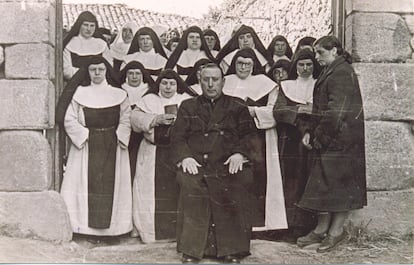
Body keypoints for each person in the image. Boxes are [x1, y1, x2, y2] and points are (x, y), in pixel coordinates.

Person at [170, 63, 257, 263]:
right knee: (190, 183)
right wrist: (185, 157)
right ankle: (192, 250)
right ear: (199, 81)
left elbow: (251, 136)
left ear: (223, 81)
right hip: (197, 164)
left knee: (235, 182)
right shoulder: (188, 106)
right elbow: (177, 137)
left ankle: (231, 249)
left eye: (215, 80)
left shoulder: (238, 107)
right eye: (206, 80)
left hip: (226, 164)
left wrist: (239, 154)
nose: (210, 84)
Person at [296, 36, 367, 252]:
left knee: (339, 187)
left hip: (341, 141)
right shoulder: (331, 71)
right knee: (324, 184)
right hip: (331, 139)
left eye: (321, 53)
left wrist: (319, 138)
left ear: (334, 51)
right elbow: (320, 108)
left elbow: (336, 112)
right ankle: (321, 228)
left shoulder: (342, 72)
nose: (316, 58)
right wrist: (309, 131)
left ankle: (336, 232)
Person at [56, 55, 132, 240]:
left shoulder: (119, 94)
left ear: (106, 71)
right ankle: (82, 228)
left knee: (113, 185)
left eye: (101, 69)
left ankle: (114, 230)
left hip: (113, 145)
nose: (97, 73)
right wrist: (84, 136)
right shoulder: (79, 93)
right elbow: (69, 118)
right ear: (87, 72)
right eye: (92, 69)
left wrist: (120, 136)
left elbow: (126, 118)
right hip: (87, 145)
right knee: (83, 183)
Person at [222, 48, 288, 234]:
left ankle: (260, 227)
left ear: (254, 65)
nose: (243, 67)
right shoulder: (226, 82)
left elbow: (274, 112)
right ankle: (232, 224)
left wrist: (252, 111)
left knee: (259, 180)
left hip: (261, 138)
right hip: (231, 137)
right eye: (239, 63)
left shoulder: (267, 85)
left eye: (247, 64)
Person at [130, 69, 196, 244]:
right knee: (149, 192)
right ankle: (150, 233)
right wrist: (155, 119)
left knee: (178, 190)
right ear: (158, 85)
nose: (168, 87)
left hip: (178, 153)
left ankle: (178, 234)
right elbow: (135, 119)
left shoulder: (186, 101)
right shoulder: (148, 100)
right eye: (164, 83)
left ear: (177, 85)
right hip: (152, 152)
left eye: (172, 83)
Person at [273, 49, 320, 238]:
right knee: (291, 180)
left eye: (309, 64)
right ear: (295, 66)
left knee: (310, 178)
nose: (305, 68)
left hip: (313, 137)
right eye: (301, 64)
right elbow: (279, 111)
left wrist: (311, 112)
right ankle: (291, 225)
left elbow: (324, 109)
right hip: (291, 138)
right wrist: (300, 110)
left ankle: (309, 226)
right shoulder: (286, 85)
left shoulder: (319, 84)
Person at [120, 60, 155, 192]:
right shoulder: (120, 89)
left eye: (137, 74)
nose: (134, 77)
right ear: (125, 75)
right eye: (131, 73)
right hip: (124, 133)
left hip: (142, 135)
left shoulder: (149, 90)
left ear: (143, 75)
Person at [63, 11, 109, 80]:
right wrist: (91, 74)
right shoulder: (69, 44)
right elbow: (67, 72)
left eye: (92, 25)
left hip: (99, 84)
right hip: (76, 84)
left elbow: (109, 68)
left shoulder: (102, 44)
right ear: (79, 25)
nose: (89, 29)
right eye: (85, 25)